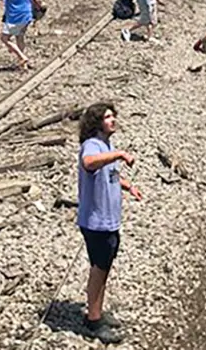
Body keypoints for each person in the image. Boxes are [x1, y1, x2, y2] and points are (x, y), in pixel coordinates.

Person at [77, 102, 141, 345]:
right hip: (96, 222)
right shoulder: (92, 145)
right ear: (97, 123)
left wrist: (129, 186)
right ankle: (93, 321)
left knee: (104, 268)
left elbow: (110, 173)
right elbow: (90, 163)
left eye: (114, 116)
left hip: (110, 220)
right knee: (98, 269)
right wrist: (119, 154)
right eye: (107, 117)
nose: (113, 120)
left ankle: (98, 312)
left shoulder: (107, 145)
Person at [0, 0, 35, 70]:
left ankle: (22, 57)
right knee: (19, 37)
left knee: (4, 38)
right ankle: (23, 65)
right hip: (27, 15)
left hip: (16, 17)